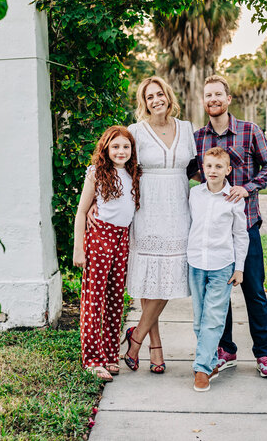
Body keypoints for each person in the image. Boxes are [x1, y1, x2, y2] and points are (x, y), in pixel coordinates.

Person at [193, 74, 267, 378]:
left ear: (228, 99)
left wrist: (248, 187)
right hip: (213, 232)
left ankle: (265, 354)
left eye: (218, 94)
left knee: (254, 290)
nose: (213, 100)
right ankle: (225, 349)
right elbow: (191, 171)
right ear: (203, 101)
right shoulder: (198, 138)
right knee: (218, 293)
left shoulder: (249, 130)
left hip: (246, 225)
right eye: (208, 96)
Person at [121, 76, 196, 373]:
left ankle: (136, 335)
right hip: (147, 209)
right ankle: (155, 347)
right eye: (149, 97)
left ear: (168, 96)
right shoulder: (135, 132)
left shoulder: (187, 128)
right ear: (144, 102)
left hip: (178, 208)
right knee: (150, 277)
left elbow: (195, 168)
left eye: (159, 94)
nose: (156, 100)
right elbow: (121, 169)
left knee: (170, 275)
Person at [73, 126, 141, 382]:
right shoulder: (98, 173)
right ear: (106, 149)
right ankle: (92, 359)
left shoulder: (133, 173)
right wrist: (78, 248)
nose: (121, 151)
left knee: (115, 298)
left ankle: (111, 354)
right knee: (95, 299)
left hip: (122, 238)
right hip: (100, 236)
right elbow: (82, 211)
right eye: (115, 147)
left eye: (125, 146)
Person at [187, 147, 248, 392]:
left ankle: (201, 369)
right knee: (199, 319)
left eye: (219, 167)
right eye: (209, 166)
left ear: (228, 170)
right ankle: (212, 361)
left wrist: (240, 268)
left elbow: (240, 235)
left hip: (222, 264)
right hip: (195, 262)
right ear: (203, 167)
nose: (213, 171)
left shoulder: (233, 198)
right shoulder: (194, 195)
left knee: (213, 317)